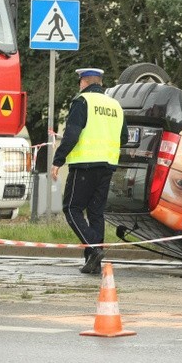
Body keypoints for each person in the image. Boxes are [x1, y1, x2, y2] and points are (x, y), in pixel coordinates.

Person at [51, 68, 128, 274]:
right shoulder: (115, 105)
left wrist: (58, 160)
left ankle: (94, 248)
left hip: (84, 165)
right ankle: (94, 262)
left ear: (83, 82)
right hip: (107, 166)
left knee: (72, 209)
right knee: (96, 213)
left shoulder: (82, 101)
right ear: (100, 83)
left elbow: (72, 134)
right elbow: (125, 138)